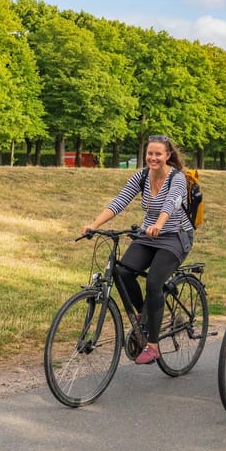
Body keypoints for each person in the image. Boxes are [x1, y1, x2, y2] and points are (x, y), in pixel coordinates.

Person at [82, 134, 195, 365]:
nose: (153, 158)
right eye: (150, 153)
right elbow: (119, 201)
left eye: (158, 154)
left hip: (175, 236)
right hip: (148, 234)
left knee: (154, 282)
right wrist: (94, 225)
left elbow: (171, 203)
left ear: (167, 156)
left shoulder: (178, 179)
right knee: (123, 272)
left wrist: (159, 225)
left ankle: (153, 346)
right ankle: (143, 316)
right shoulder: (142, 176)